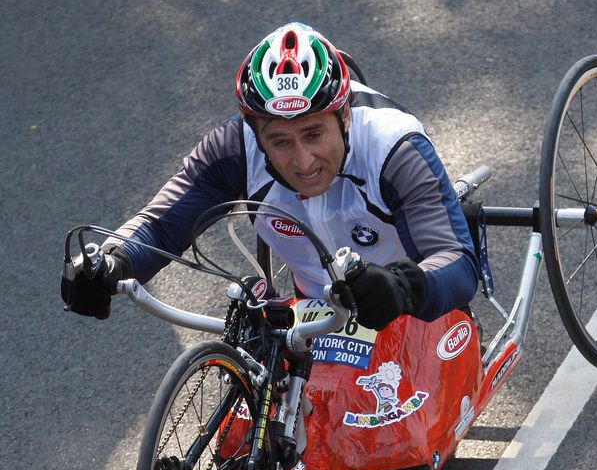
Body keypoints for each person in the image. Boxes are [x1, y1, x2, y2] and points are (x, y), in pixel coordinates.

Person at [62, 21, 479, 329]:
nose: (302, 162)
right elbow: (158, 227)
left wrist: (405, 287)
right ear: (256, 132)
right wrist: (112, 263)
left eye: (314, 134)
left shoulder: (395, 149)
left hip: (401, 306)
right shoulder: (234, 148)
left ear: (345, 116)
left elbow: (457, 262)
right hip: (312, 314)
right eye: (280, 141)